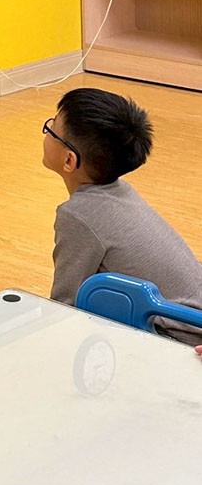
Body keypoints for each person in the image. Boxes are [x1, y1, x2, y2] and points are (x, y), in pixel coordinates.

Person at [43, 86, 202, 345]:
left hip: (184, 334)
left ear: (69, 161)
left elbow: (63, 305)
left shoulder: (78, 216)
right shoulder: (122, 190)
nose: (47, 131)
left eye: (51, 129)